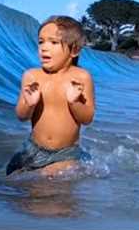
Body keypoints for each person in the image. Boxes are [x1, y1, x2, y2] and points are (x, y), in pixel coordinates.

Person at [6, 15, 95, 176]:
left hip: (65, 153)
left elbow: (87, 118)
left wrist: (74, 102)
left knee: (48, 182)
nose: (44, 48)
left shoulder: (81, 77)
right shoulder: (32, 76)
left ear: (74, 50)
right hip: (33, 148)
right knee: (11, 181)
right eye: (41, 42)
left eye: (53, 42)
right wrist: (30, 104)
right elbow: (21, 115)